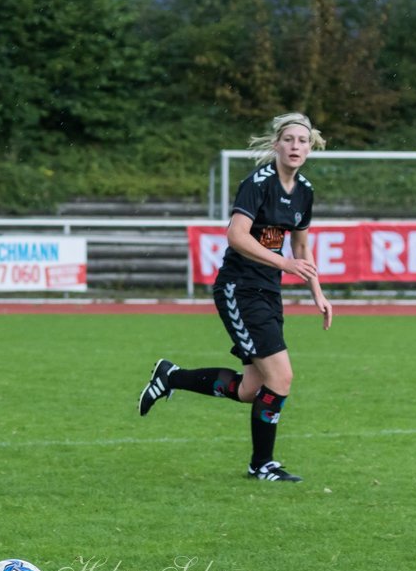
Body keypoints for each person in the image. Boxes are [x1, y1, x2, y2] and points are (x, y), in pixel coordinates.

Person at [137, 112, 333, 482]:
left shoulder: (304, 191)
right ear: (276, 144)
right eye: (288, 139)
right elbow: (236, 236)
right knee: (281, 378)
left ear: (311, 147)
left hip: (267, 291)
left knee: (250, 390)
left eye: (302, 141)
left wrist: (318, 294)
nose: (295, 146)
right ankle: (262, 464)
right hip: (239, 289)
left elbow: (301, 246)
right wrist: (284, 263)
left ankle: (171, 376)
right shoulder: (257, 183)